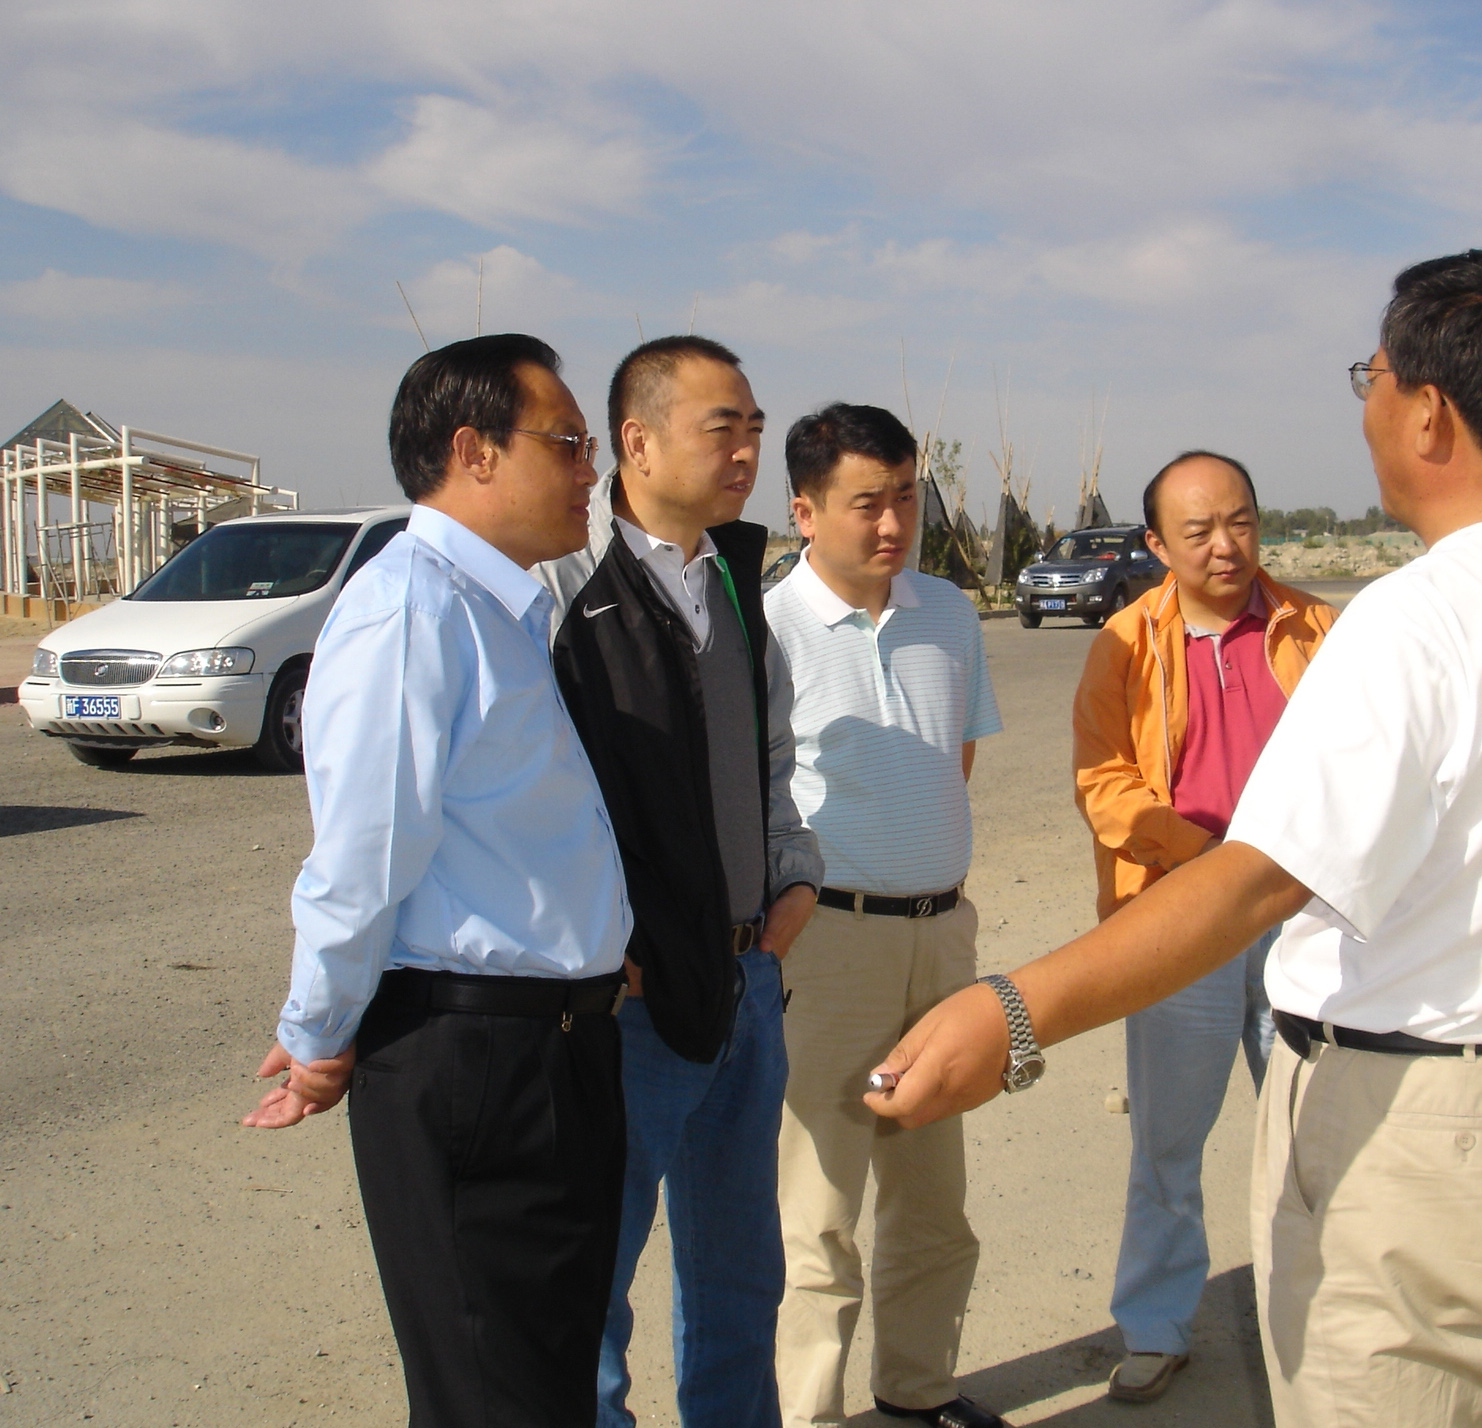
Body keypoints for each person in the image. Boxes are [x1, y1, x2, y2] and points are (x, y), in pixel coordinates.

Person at [866, 249, 1482, 1427]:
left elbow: (1256, 885)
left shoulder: (1409, 618)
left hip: (1414, 1133)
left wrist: (1010, 1014)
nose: (1364, 405)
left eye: (1372, 377)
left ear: (1428, 413)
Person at [242, 333, 634, 1428]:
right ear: (474, 451)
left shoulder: (497, 609)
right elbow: (364, 857)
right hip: (476, 1061)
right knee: (490, 1391)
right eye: (568, 443)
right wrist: (318, 1036)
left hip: (555, 1048)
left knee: (543, 1381)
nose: (590, 470)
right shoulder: (411, 610)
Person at [540, 335, 823, 1428]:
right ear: (638, 441)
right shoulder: (559, 591)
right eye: (722, 428)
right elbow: (529, 795)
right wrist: (596, 944)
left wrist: (791, 888)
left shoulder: (737, 586)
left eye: (754, 428)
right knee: (592, 1295)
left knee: (741, 1280)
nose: (747, 450)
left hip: (747, 984)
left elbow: (773, 762)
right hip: (629, 1008)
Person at [1072, 450, 1336, 1403]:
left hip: (1302, 918)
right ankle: (1155, 1325)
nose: (1225, 546)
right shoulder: (1124, 644)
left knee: (1316, 1138)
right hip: (1179, 918)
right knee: (1167, 1143)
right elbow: (1105, 783)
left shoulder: (1319, 630)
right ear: (1156, 544)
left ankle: (1322, 1325)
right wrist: (1204, 859)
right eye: (1198, 531)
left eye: (1240, 523)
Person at [765, 404, 1007, 1428]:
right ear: (804, 510)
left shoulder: (948, 612)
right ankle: (807, 1414)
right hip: (827, 945)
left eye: (905, 496)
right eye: (866, 503)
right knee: (818, 1206)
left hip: (942, 936)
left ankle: (917, 1391)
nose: (893, 523)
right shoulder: (767, 630)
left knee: (933, 1193)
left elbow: (955, 759)